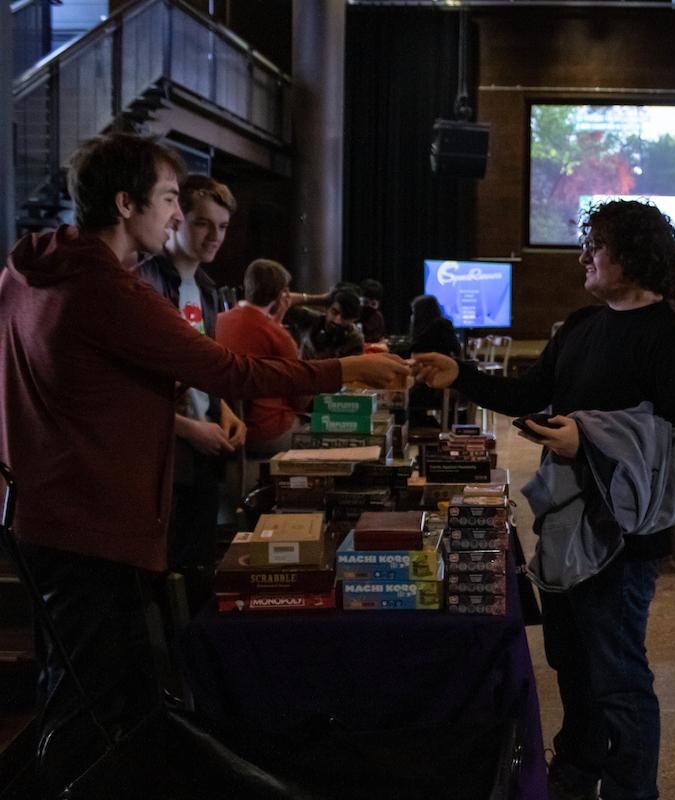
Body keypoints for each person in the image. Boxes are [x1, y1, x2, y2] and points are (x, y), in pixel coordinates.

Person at [0, 134, 411, 795]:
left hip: (40, 515)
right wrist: (348, 368)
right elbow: (229, 369)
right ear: (126, 203)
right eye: (168, 198)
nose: (175, 213)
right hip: (93, 524)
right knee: (107, 706)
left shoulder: (29, 268)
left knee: (73, 689)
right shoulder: (111, 290)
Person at [413, 199, 675, 800]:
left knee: (618, 676)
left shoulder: (674, 342)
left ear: (632, 254)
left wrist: (589, 442)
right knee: (571, 665)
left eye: (594, 246)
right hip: (566, 525)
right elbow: (528, 393)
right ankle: (576, 773)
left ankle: (631, 790)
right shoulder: (580, 326)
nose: (583, 257)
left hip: (622, 542)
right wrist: (460, 374)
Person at [132, 174, 246, 600]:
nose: (215, 236)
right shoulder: (144, 283)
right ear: (176, 219)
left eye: (223, 226)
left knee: (199, 564)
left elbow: (202, 367)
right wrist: (188, 428)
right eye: (203, 223)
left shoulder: (210, 291)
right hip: (163, 451)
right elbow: (132, 387)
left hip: (204, 446)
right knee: (164, 573)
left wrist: (224, 408)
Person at [216, 259, 310, 454]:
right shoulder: (277, 335)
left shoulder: (217, 320)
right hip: (264, 433)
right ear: (280, 296)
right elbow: (301, 397)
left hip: (222, 426)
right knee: (315, 431)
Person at [405, 294, 462, 426]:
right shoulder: (444, 324)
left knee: (402, 394)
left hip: (433, 385)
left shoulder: (430, 330)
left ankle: (416, 426)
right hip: (444, 388)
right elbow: (457, 349)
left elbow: (413, 352)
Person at [287, 285, 365, 359]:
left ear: (353, 319)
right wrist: (319, 299)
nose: (337, 321)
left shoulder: (354, 338)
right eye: (335, 312)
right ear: (327, 308)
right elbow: (282, 301)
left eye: (345, 317)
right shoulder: (311, 319)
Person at [359, 278, 387, 344]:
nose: (369, 306)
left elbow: (379, 337)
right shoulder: (355, 314)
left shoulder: (378, 317)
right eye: (365, 302)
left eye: (373, 304)